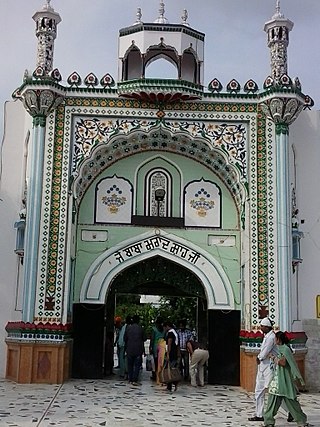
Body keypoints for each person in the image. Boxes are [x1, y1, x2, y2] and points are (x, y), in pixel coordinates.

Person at [263, 331, 309, 427]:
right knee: (272, 403)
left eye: (276, 338)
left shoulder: (285, 349)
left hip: (283, 380)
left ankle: (301, 421)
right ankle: (268, 422)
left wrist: (272, 357)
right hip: (277, 381)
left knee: (292, 403)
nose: (274, 340)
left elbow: (283, 363)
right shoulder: (280, 348)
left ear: (279, 339)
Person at [249, 317, 278, 422]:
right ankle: (259, 414)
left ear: (267, 327)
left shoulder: (271, 337)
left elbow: (265, 351)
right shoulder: (267, 336)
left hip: (269, 367)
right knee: (259, 391)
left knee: (273, 390)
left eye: (262, 326)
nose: (260, 328)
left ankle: (290, 412)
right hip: (262, 367)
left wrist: (259, 357)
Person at [124, 314, 146, 386]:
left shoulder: (128, 328)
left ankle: (130, 379)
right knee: (137, 365)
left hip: (129, 349)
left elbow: (125, 339)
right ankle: (134, 379)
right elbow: (144, 338)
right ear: (138, 321)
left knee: (130, 365)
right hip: (138, 350)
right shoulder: (141, 328)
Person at [164, 320, 180, 392]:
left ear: (167, 326)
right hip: (175, 353)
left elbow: (169, 344)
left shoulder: (170, 333)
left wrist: (167, 354)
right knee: (173, 369)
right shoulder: (176, 332)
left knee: (169, 370)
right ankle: (173, 385)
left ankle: (169, 385)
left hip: (171, 353)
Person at [149, 316, 165, 381]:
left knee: (155, 362)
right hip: (162, 345)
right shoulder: (164, 329)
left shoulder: (154, 329)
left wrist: (150, 347)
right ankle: (161, 375)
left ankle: (155, 376)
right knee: (161, 362)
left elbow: (152, 339)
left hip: (156, 346)